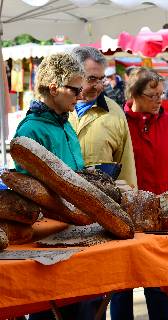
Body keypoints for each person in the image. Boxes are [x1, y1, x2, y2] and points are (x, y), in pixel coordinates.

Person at [110, 67, 168, 320]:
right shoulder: (117, 124)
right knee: (121, 286)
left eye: (161, 94)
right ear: (134, 94)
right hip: (122, 214)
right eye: (152, 95)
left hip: (159, 213)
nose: (159, 100)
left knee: (157, 284)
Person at [13, 53, 85, 319]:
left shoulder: (66, 126)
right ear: (54, 88)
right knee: (51, 311)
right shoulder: (30, 131)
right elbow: (32, 190)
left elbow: (75, 174)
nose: (79, 96)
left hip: (74, 229)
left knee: (81, 307)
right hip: (49, 237)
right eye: (75, 90)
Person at [69, 46, 137, 188]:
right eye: (92, 79)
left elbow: (127, 171)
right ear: (73, 75)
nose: (98, 86)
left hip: (100, 207)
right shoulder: (55, 109)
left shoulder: (115, 113)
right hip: (57, 206)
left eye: (101, 79)